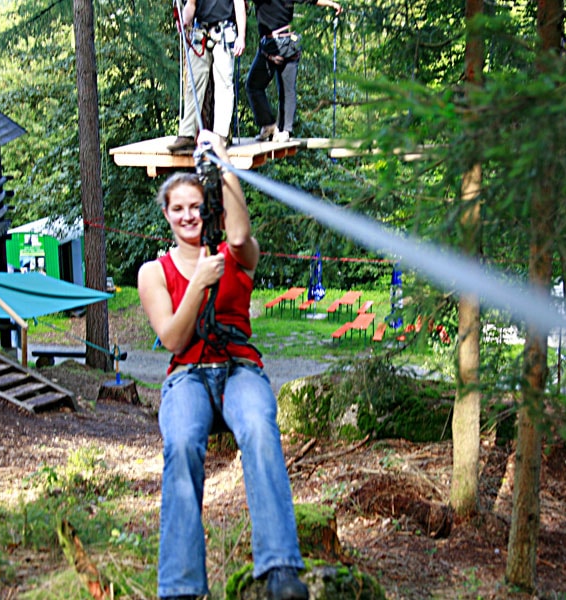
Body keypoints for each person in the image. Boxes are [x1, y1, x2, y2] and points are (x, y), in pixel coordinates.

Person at [138, 130, 309, 600]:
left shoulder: (236, 254)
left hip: (238, 367)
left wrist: (226, 162)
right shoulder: (154, 272)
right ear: (167, 214)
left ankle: (280, 568)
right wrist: (197, 284)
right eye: (178, 208)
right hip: (188, 375)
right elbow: (172, 338)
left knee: (258, 427)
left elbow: (239, 234)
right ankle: (181, 586)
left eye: (196, 206)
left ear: (208, 209)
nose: (187, 215)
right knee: (182, 443)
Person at [246, 0, 342, 143]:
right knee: (288, 90)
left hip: (273, 45)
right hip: (291, 43)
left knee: (253, 86)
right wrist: (332, 4)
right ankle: (284, 131)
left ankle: (268, 124)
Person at [166, 0, 247, 153]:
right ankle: (187, 135)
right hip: (200, 31)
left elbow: (239, 4)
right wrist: (184, 20)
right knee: (193, 84)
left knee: (224, 86)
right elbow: (191, 4)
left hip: (224, 31)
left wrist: (241, 37)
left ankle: (221, 136)